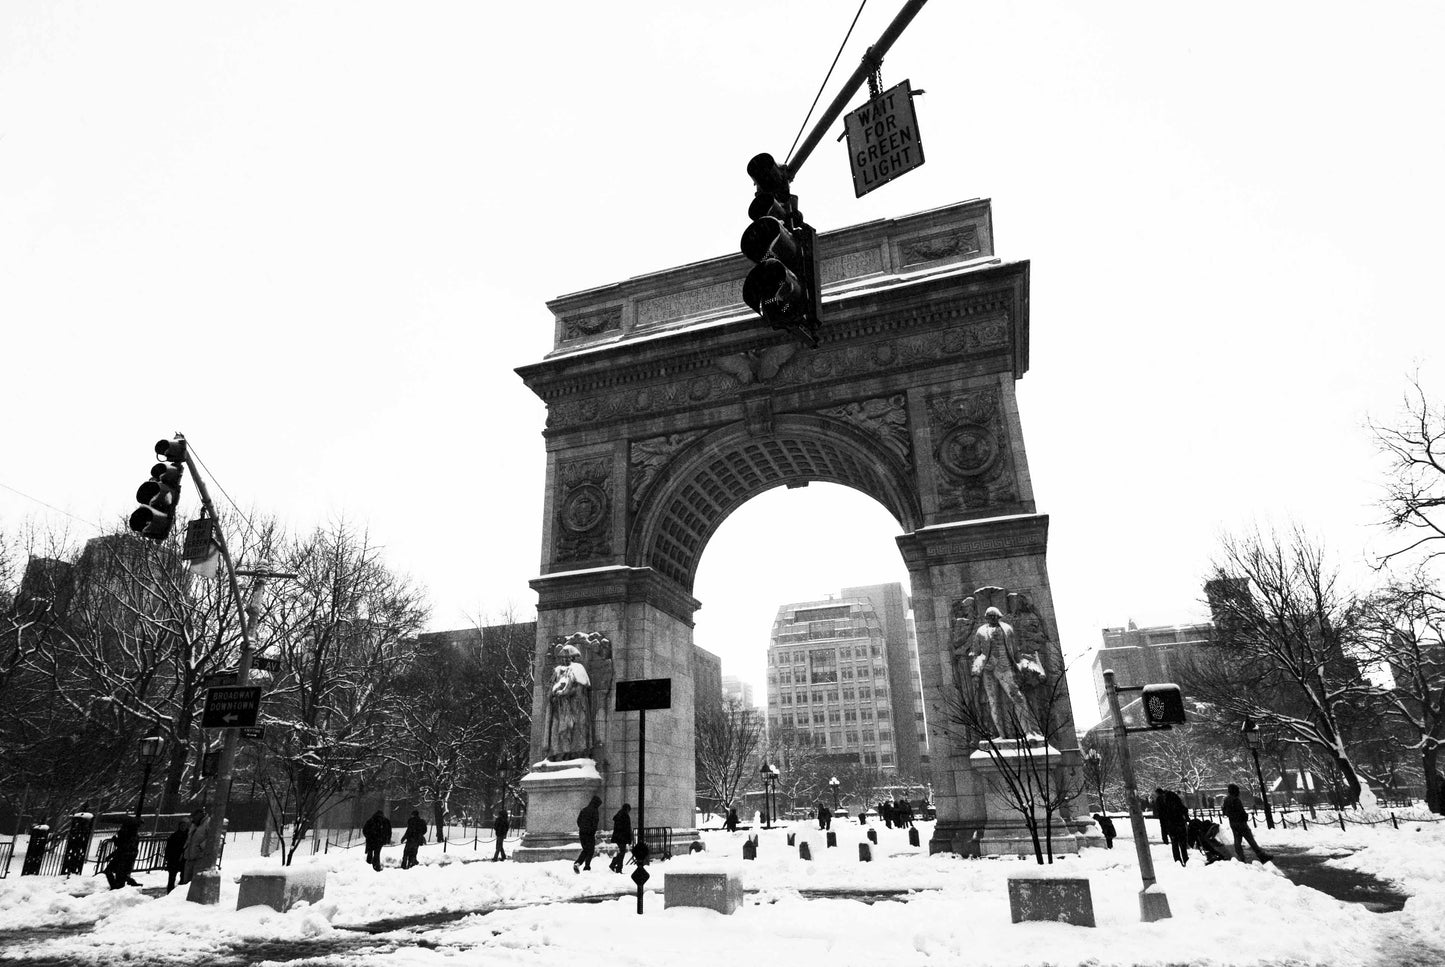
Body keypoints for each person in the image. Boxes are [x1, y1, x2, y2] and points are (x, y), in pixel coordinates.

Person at [958, 607, 1041, 738]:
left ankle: (1028, 732)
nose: (992, 618)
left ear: (999, 616)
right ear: (986, 618)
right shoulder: (981, 632)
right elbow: (976, 652)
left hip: (1006, 667)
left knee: (1018, 698)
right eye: (989, 616)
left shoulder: (1008, 629)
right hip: (988, 670)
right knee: (993, 702)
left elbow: (1015, 650)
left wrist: (1023, 663)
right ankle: (1001, 734)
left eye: (995, 616)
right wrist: (976, 670)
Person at [545, 643, 593, 760]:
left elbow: (580, 686)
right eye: (562, 658)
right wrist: (553, 694)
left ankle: (576, 752)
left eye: (567, 657)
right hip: (560, 706)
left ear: (572, 657)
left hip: (576, 705)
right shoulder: (557, 670)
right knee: (559, 730)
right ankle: (559, 753)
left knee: (577, 728)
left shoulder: (578, 668)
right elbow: (551, 686)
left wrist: (566, 692)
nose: (564, 660)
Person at [1222, 783, 1273, 863]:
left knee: (1237, 841)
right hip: (1241, 823)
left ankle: (1241, 857)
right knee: (1250, 840)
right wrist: (1245, 816)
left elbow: (1224, 812)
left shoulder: (1226, 800)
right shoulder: (1236, 800)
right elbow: (1241, 812)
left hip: (1232, 823)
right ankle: (1261, 855)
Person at [103, 816, 141, 890]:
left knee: (112, 872)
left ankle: (116, 887)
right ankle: (122, 885)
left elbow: (122, 846)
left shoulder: (126, 834)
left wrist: (115, 840)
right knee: (120, 874)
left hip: (122, 857)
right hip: (126, 857)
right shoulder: (134, 835)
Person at [1160, 788, 1190, 866]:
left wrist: (1165, 832)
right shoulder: (1177, 803)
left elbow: (1163, 818)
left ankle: (1177, 860)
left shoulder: (1165, 806)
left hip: (1171, 827)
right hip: (1180, 825)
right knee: (1183, 844)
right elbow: (1185, 810)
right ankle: (1185, 859)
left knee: (1174, 844)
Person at [182, 808, 210, 885]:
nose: (193, 818)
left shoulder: (208, 823)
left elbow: (212, 838)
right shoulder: (194, 825)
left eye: (194, 816)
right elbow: (189, 839)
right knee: (186, 883)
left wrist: (201, 846)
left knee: (196, 883)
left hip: (200, 858)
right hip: (189, 857)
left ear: (200, 814)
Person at [574, 795, 601, 873]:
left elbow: (578, 821)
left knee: (586, 849)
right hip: (589, 834)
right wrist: (592, 831)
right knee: (590, 850)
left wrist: (582, 828)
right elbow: (595, 823)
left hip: (582, 833)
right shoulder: (595, 811)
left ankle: (578, 863)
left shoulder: (584, 810)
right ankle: (586, 867)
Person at [164, 817, 190, 891]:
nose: (183, 827)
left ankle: (178, 891)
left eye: (184, 826)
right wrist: (167, 858)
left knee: (183, 877)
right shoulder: (174, 836)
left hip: (183, 859)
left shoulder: (188, 836)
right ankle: (170, 891)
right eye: (182, 826)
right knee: (172, 878)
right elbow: (168, 848)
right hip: (174, 859)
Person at [609, 803, 633, 873]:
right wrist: (629, 838)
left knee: (621, 852)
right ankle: (618, 868)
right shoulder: (625, 816)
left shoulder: (619, 814)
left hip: (618, 837)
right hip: (622, 837)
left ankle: (613, 864)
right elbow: (627, 828)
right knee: (622, 853)